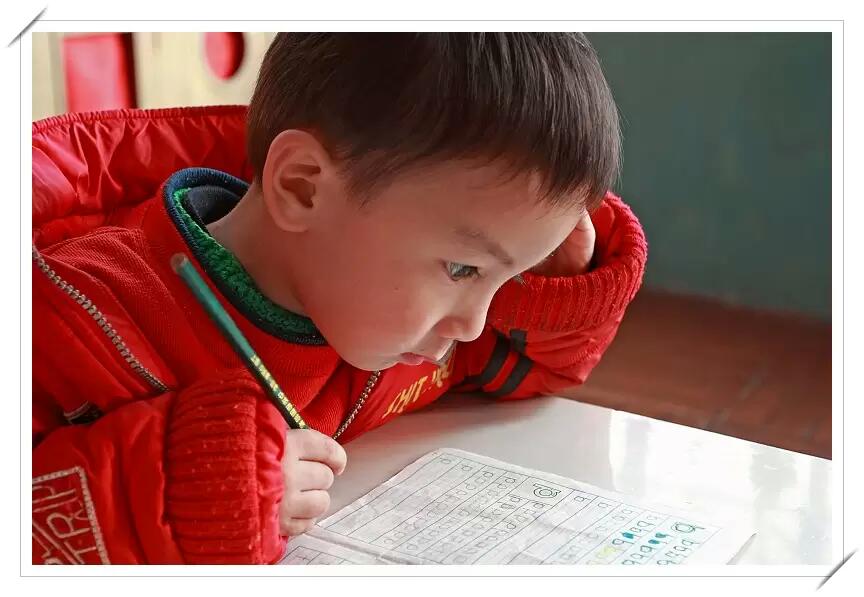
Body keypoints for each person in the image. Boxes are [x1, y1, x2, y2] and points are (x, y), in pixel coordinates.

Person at [31, 32, 647, 564]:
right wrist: (198, 488)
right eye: (463, 268)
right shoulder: (68, 318)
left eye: (507, 280)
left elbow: (521, 368)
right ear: (302, 187)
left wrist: (562, 287)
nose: (472, 325)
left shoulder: (382, 314)